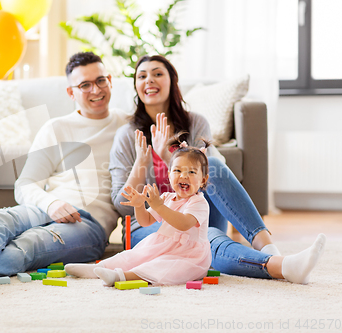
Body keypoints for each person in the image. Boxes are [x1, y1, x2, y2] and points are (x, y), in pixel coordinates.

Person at [108, 55, 326, 284]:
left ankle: (270, 249)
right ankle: (283, 267)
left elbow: (208, 178)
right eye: (142, 76)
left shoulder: (196, 123)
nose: (149, 80)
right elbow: (120, 204)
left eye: (157, 74)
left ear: (173, 82)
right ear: (136, 86)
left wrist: (166, 155)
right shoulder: (127, 135)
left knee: (210, 165)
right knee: (209, 237)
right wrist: (143, 160)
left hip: (197, 213)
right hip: (151, 227)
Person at [0, 52, 128, 288]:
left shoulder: (128, 125)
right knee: (1, 217)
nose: (96, 90)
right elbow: (25, 184)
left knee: (30, 243)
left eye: (101, 80)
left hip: (90, 225)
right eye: (85, 85)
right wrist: (52, 204)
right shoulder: (56, 128)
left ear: (110, 80)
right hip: (47, 207)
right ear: (71, 92)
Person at [66, 134, 212, 286]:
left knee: (161, 266)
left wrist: (159, 207)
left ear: (203, 180)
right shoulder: (167, 198)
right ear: (169, 175)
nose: (184, 176)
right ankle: (97, 268)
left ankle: (119, 277)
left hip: (189, 257)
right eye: (177, 170)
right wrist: (139, 206)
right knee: (133, 255)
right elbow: (145, 221)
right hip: (163, 246)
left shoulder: (199, 203)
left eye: (192, 172)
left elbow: (183, 224)